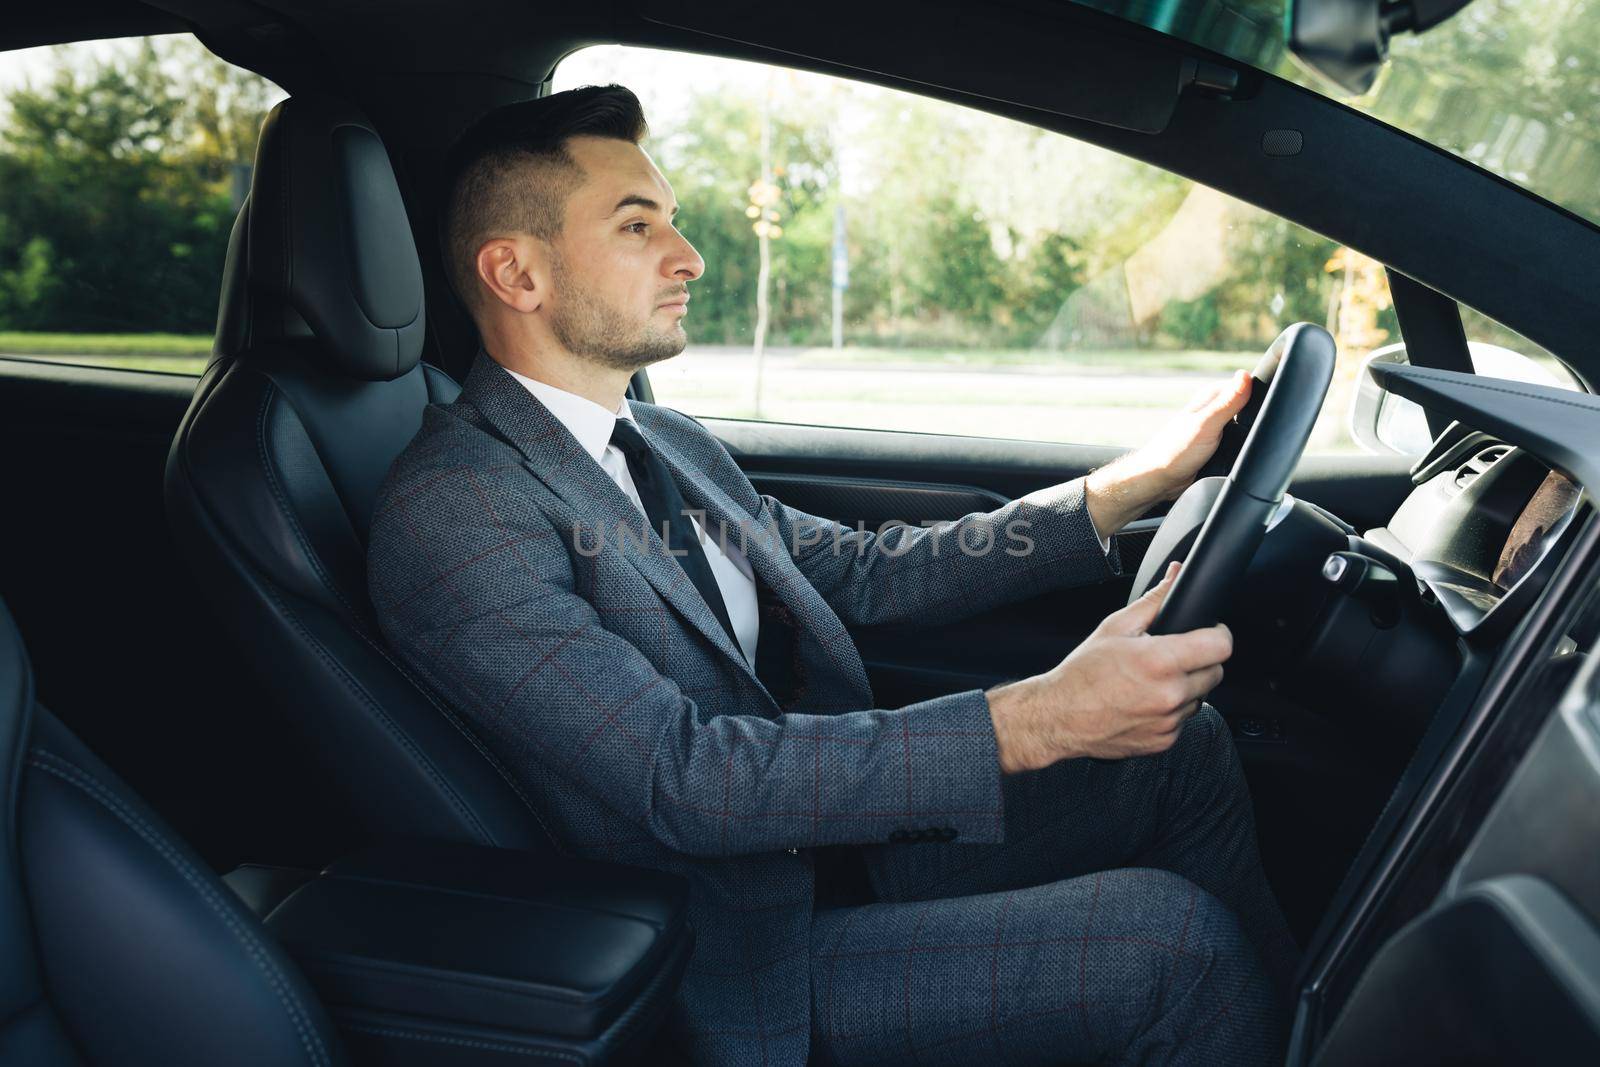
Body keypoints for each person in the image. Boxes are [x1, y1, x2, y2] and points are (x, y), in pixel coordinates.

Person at [367, 83, 1298, 1067]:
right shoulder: (457, 507)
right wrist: (1037, 717)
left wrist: (1123, 486)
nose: (688, 256)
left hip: (824, 853)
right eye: (637, 226)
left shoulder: (664, 441)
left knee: (1180, 750)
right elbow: (688, 777)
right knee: (1169, 945)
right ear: (516, 272)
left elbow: (861, 571)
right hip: (720, 953)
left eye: (672, 221)